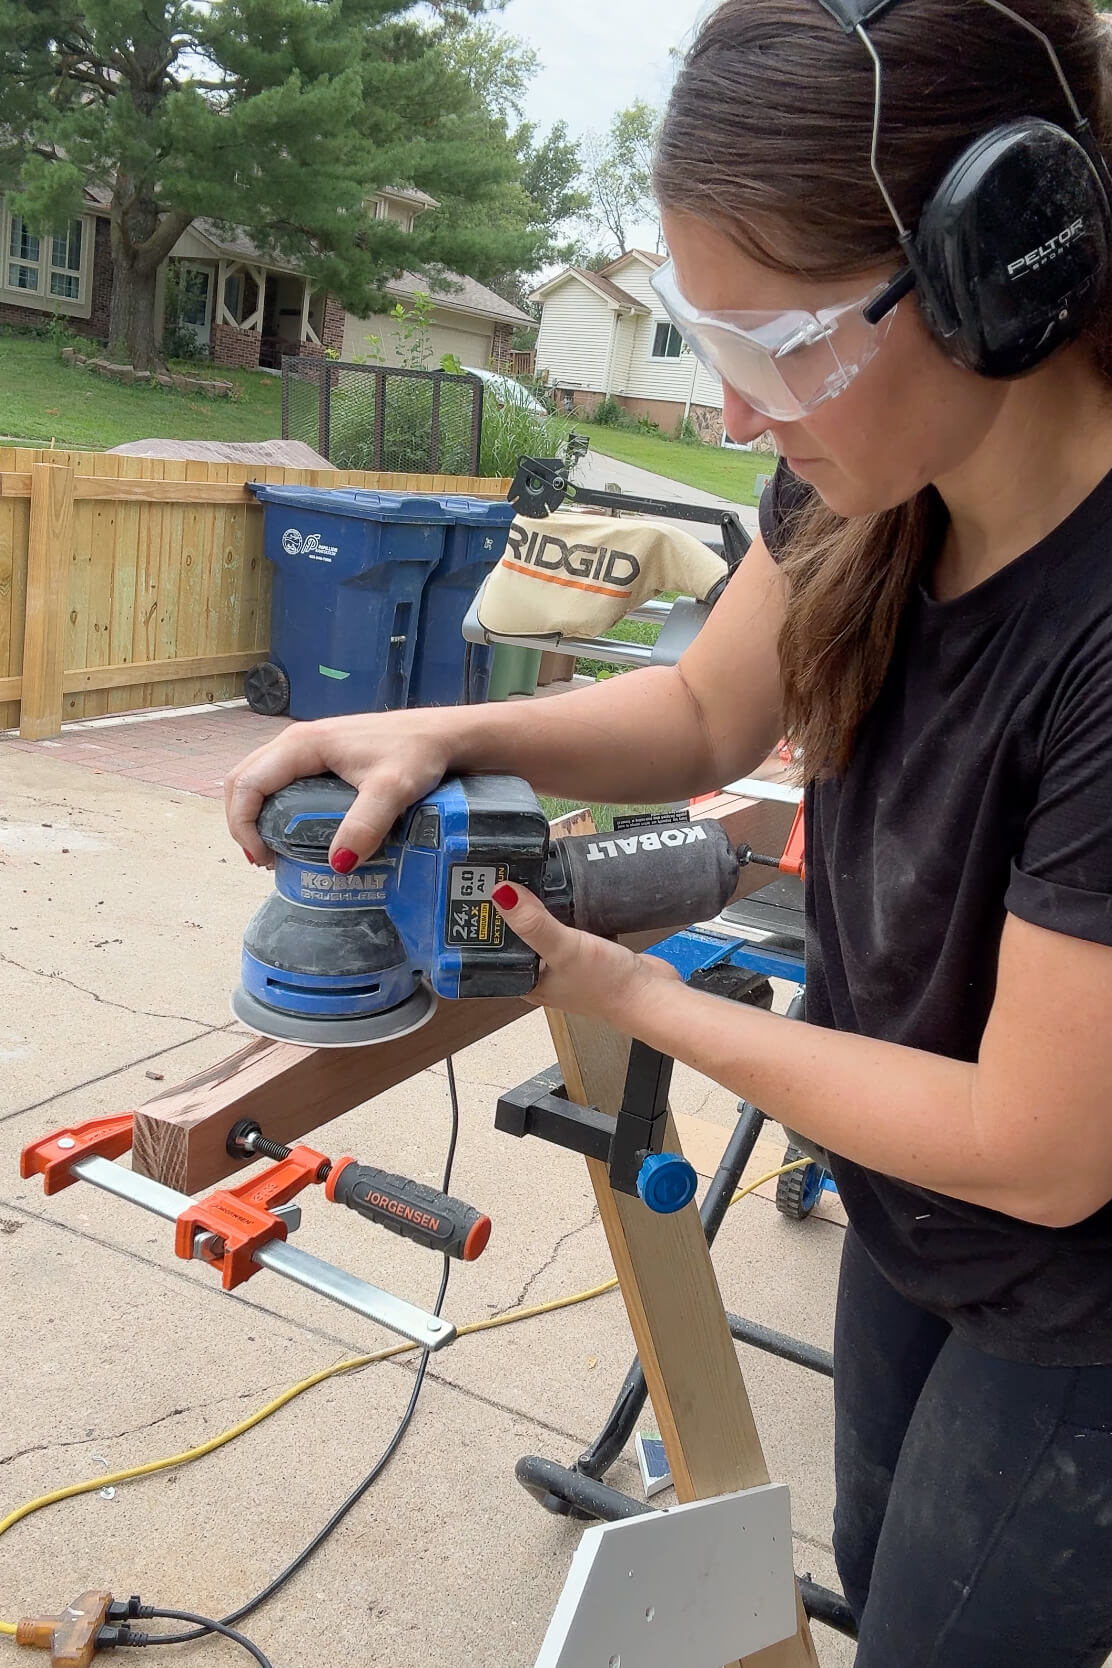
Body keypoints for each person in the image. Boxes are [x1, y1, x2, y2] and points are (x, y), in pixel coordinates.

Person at [226, 1, 1112, 1660]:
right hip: (914, 1203)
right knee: (884, 1556)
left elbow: (1043, 1145)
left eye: (779, 345)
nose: (728, 410)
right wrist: (447, 724)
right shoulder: (864, 488)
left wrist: (645, 1001)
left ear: (1010, 261)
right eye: (715, 338)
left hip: (1079, 1300)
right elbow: (703, 717)